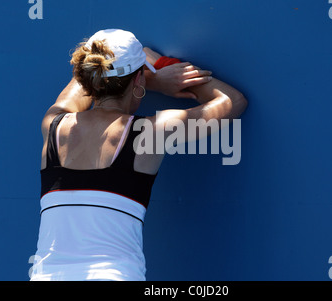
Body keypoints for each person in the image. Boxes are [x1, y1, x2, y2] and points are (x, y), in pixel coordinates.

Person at [30, 29, 247, 281]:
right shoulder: (153, 131)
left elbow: (81, 84)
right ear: (138, 81)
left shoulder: (53, 124)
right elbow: (233, 100)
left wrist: (144, 75)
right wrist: (159, 67)